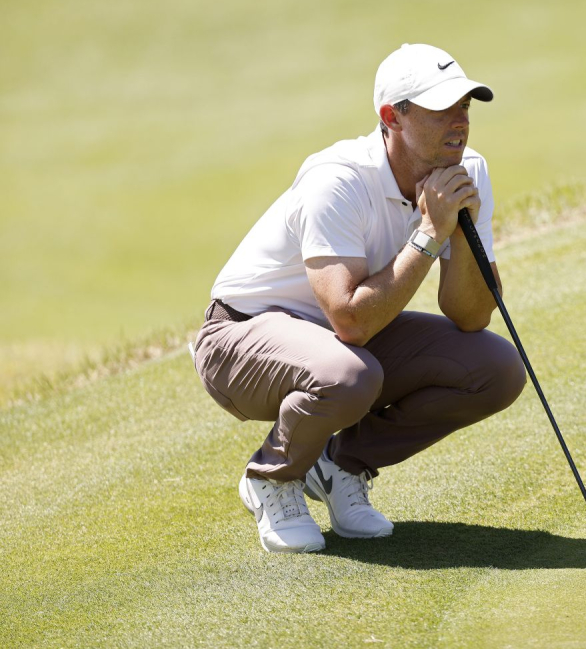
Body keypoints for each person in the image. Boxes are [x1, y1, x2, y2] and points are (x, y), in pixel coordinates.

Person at [192, 44, 526, 554]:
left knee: (496, 367)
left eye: (465, 106)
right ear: (392, 117)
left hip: (337, 343)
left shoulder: (467, 173)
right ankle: (273, 476)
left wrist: (457, 231)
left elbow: (472, 314)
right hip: (238, 337)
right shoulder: (338, 180)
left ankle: (339, 463)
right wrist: (430, 235)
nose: (459, 121)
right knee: (350, 373)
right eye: (442, 109)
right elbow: (350, 321)